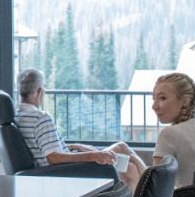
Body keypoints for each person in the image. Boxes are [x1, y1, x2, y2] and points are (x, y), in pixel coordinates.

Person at [14, 67, 147, 187]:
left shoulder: (18, 116)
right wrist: (93, 155)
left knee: (122, 148)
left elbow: (48, 149)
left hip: (67, 165)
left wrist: (76, 148)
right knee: (130, 170)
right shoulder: (40, 117)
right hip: (69, 170)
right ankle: (149, 192)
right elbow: (53, 158)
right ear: (39, 91)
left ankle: (151, 185)